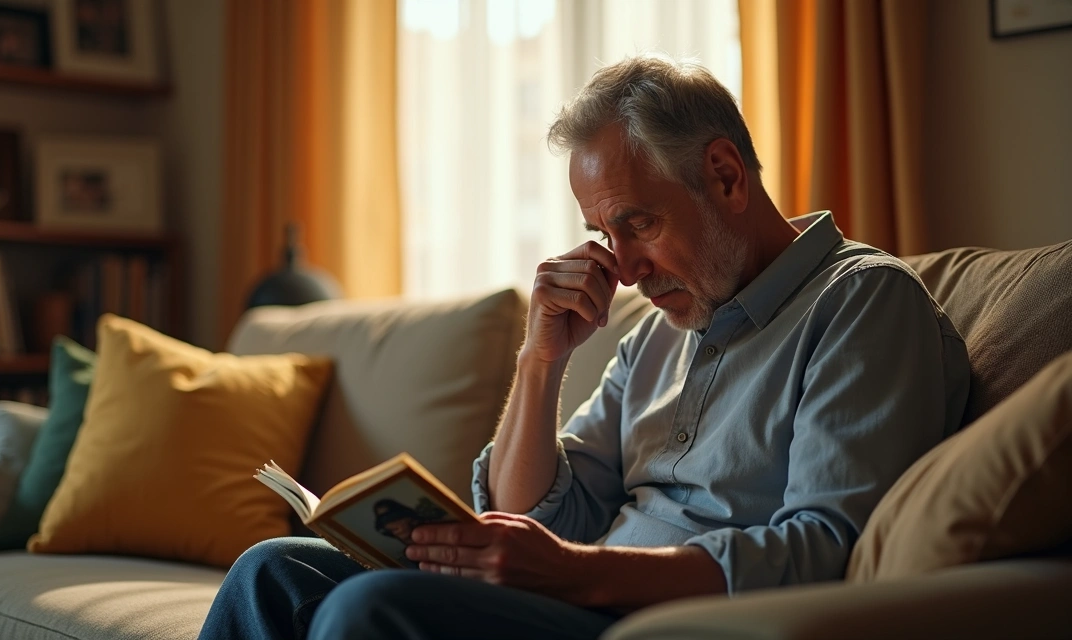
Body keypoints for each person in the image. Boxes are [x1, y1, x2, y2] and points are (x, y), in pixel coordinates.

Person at [197, 54, 970, 640]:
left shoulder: (862, 302)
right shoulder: (661, 334)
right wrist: (542, 360)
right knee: (274, 570)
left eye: (640, 224)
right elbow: (544, 514)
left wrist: (578, 571)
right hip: (582, 596)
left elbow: (826, 550)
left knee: (372, 606)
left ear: (726, 176)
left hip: (662, 624)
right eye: (606, 234)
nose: (625, 270)